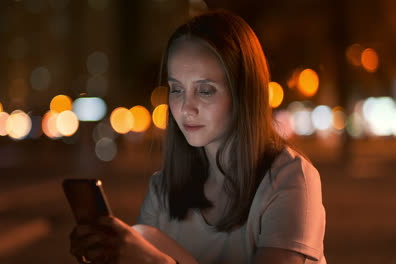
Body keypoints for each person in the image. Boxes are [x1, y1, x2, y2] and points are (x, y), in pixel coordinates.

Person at [70, 10, 326, 264]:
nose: (185, 108)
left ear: (243, 92)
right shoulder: (163, 190)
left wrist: (153, 260)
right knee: (142, 235)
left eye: (205, 90)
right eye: (177, 89)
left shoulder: (289, 179)